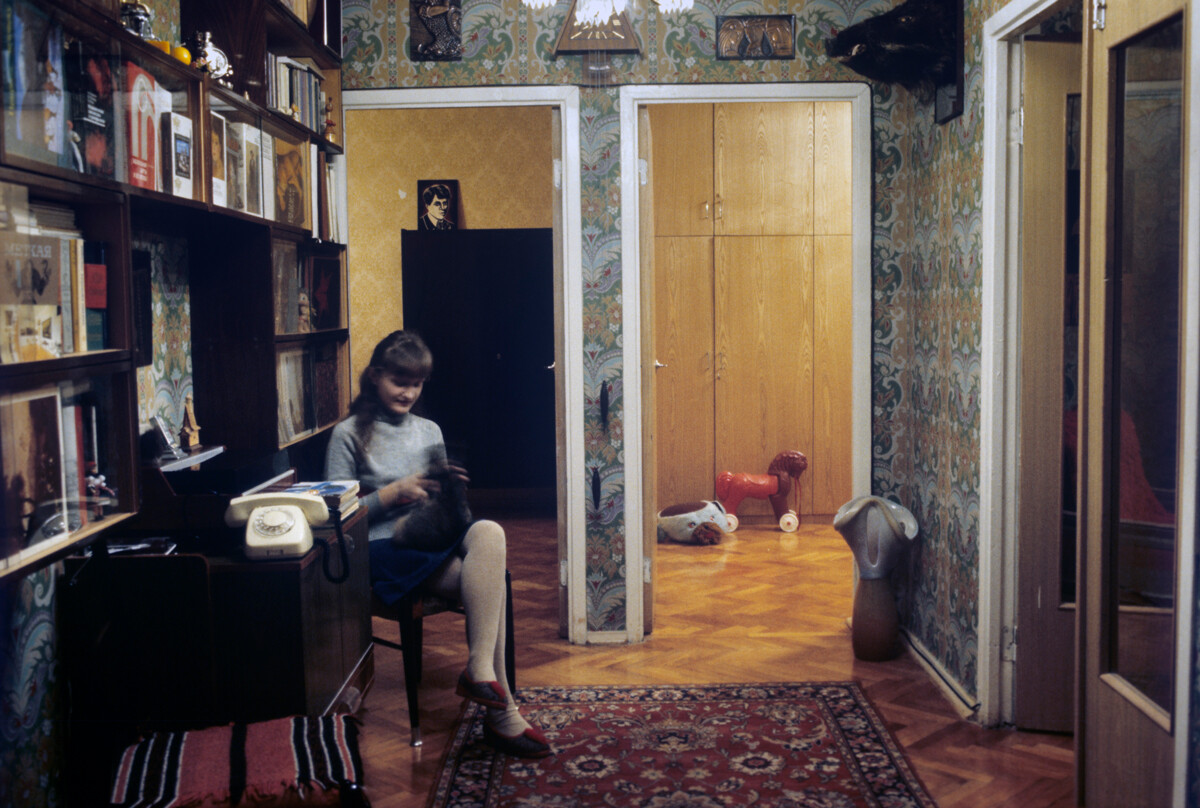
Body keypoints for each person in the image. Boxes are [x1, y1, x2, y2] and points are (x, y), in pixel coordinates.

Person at [324, 330, 551, 758]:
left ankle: (479, 670)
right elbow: (336, 517)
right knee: (488, 585)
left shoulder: (429, 429)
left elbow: (448, 509)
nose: (408, 393)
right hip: (382, 548)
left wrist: (450, 492)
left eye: (417, 384)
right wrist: (392, 494)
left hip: (429, 537)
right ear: (375, 376)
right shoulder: (347, 434)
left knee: (490, 532)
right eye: (399, 381)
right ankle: (503, 716)